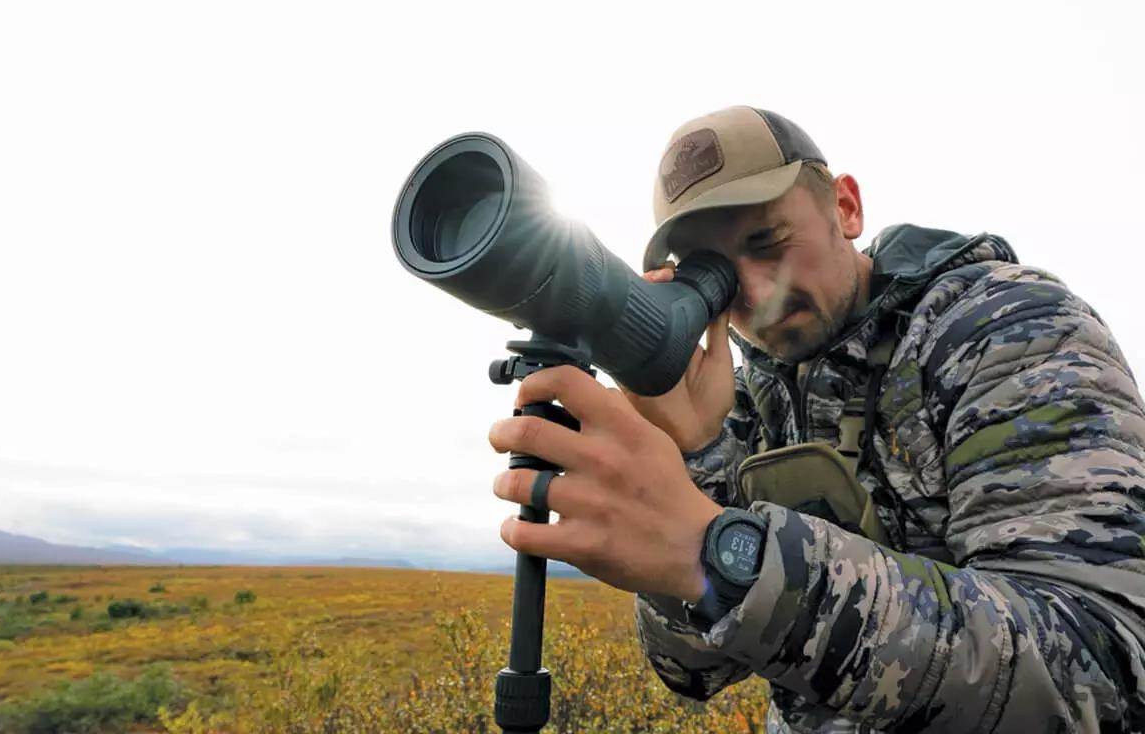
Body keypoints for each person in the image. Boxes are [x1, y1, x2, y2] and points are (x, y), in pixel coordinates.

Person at [489, 105, 1145, 732]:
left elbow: (1104, 669)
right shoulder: (746, 400)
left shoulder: (1004, 329)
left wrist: (722, 553)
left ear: (846, 206)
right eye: (711, 272)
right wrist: (697, 452)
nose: (754, 291)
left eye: (767, 241)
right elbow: (690, 674)